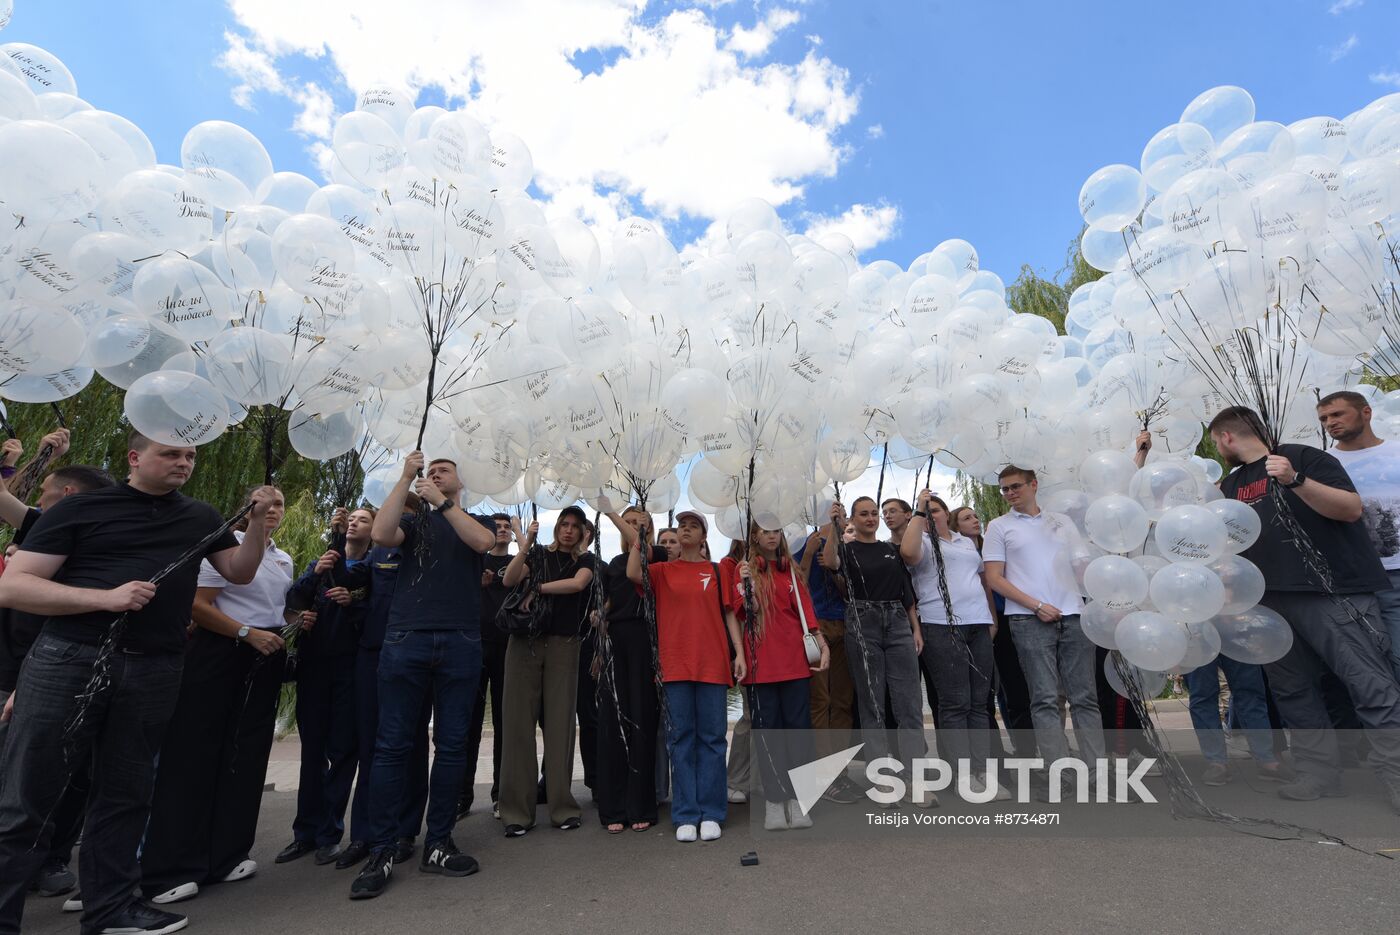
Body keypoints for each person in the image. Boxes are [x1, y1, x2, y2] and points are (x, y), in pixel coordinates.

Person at [0, 431, 274, 935]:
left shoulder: (201, 516)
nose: (184, 463)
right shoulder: (78, 509)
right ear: (134, 458)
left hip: (155, 666)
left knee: (126, 795)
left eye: (190, 455)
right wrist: (104, 599)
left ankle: (110, 910)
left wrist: (255, 523)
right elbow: (14, 586)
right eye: (170, 453)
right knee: (27, 796)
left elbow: (238, 572)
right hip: (69, 658)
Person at [1210, 406, 1400, 808]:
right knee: (1292, 691)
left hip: (1332, 593)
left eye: (1215, 442)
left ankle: (1395, 773)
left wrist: (1295, 480)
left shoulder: (1303, 457)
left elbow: (1349, 509)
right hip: (1270, 604)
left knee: (1370, 685)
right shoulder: (1231, 485)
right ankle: (1318, 773)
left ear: (1225, 437)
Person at [140, 486, 295, 906]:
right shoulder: (225, 545)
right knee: (194, 752)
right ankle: (172, 865)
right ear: (247, 509)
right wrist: (245, 634)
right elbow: (198, 603)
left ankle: (226, 854)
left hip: (265, 652)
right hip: (220, 650)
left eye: (280, 504)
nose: (274, 510)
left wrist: (295, 620)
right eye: (266, 503)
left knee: (244, 752)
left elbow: (275, 607)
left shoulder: (283, 557)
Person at [351, 453, 495, 899]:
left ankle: (439, 843)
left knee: (451, 746)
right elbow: (379, 534)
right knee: (392, 746)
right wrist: (405, 478)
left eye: (443, 471)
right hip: (406, 639)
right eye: (430, 471)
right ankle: (383, 848)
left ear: (458, 481)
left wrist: (442, 502)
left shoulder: (474, 518)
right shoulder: (412, 524)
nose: (434, 475)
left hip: (460, 641)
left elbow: (482, 543)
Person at [0, 434, 104, 902]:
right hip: (11, 669)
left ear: (67, 495)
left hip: (60, 668)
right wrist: (35, 457)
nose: (35, 498)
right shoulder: (41, 526)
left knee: (68, 773)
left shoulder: (106, 543)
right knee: (15, 777)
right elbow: (5, 499)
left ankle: (54, 857)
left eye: (43, 488)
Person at [983, 465, 1105, 798]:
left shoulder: (1061, 521)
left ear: (1034, 485)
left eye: (1015, 486)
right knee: (1045, 699)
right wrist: (1036, 604)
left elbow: (1080, 564)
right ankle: (1062, 776)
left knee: (1085, 698)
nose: (1009, 493)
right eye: (1004, 489)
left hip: (1074, 614)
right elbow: (994, 578)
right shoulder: (998, 526)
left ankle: (1097, 774)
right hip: (1028, 619)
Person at [628, 510, 744, 842]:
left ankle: (712, 812)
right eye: (682, 526)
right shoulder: (663, 571)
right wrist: (640, 537)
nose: (685, 530)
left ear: (704, 536)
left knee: (712, 739)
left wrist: (738, 652)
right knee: (680, 740)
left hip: (712, 664)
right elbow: (633, 573)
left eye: (693, 526)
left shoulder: (717, 570)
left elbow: (729, 613)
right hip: (675, 664)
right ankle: (686, 814)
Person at [276, 508, 375, 865]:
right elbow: (292, 602)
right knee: (312, 751)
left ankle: (330, 833)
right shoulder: (323, 560)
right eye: (352, 518)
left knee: (343, 751)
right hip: (314, 665)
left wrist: (355, 606)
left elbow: (377, 615)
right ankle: (305, 833)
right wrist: (305, 602)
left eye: (364, 519)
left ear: (375, 529)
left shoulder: (374, 566)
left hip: (350, 669)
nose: (354, 522)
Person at [337, 500, 431, 871]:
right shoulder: (379, 550)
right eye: (399, 510)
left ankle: (405, 831)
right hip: (373, 655)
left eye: (410, 511)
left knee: (411, 744)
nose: (404, 517)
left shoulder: (428, 552)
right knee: (370, 746)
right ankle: (366, 834)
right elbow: (351, 583)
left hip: (414, 656)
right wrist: (337, 539)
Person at [822, 498, 930, 806]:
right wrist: (834, 525)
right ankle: (883, 780)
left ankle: (912, 778)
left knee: (909, 703)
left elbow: (906, 592)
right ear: (852, 518)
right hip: (861, 621)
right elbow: (829, 561)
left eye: (873, 514)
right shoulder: (847, 549)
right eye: (863, 514)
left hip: (897, 621)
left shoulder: (891, 550)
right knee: (873, 705)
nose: (871, 518)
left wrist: (916, 629)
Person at [498, 507, 597, 837]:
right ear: (556, 527)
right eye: (564, 524)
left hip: (564, 644)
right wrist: (525, 544)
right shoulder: (537, 554)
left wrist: (538, 589)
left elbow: (577, 585)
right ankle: (516, 812)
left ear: (584, 532)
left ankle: (562, 806)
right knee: (517, 726)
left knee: (560, 726)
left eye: (575, 526)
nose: (568, 531)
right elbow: (509, 579)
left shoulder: (586, 561)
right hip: (524, 642)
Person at [902, 490, 1007, 799]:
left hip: (977, 624)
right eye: (924, 511)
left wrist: (991, 618)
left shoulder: (964, 542)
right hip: (941, 625)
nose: (930, 514)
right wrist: (918, 513)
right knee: (955, 702)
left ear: (946, 513)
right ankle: (962, 774)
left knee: (979, 703)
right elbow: (907, 554)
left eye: (935, 510)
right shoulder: (920, 543)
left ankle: (981, 772)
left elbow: (981, 580)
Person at [731, 524, 829, 830]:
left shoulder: (792, 571)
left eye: (776, 530)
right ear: (755, 537)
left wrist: (823, 645)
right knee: (767, 735)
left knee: (798, 734)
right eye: (765, 531)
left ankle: (799, 800)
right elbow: (748, 611)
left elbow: (808, 617)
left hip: (795, 664)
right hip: (761, 666)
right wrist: (747, 585)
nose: (772, 536)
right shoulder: (745, 570)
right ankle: (774, 801)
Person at [1317, 390, 1400, 683]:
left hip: (1396, 569)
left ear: (1366, 412)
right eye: (1324, 418)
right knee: (1371, 665)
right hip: (1357, 576)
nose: (1330, 423)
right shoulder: (1322, 464)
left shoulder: (1396, 452)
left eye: (1338, 414)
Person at [595, 506, 666, 833]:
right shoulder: (614, 565)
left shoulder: (658, 557)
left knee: (642, 723)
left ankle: (640, 804)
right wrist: (600, 628)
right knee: (613, 723)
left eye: (641, 524)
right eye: (631, 523)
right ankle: (613, 808)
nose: (635, 528)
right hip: (615, 644)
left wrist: (611, 513)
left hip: (645, 642)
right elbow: (609, 606)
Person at [951, 505, 1029, 758]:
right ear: (955, 525)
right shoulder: (957, 553)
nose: (975, 520)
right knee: (986, 692)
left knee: (1014, 685)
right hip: (977, 623)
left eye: (975, 515)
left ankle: (1024, 744)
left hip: (1005, 620)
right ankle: (992, 750)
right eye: (966, 518)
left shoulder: (992, 549)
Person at [794, 522, 861, 802]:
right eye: (834, 516)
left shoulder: (845, 548)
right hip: (814, 626)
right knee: (820, 700)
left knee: (842, 701)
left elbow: (853, 592)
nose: (839, 521)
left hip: (844, 623)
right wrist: (809, 553)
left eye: (842, 516)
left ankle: (840, 770)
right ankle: (822, 773)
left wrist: (834, 567)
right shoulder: (800, 545)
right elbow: (798, 587)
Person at [462, 513, 516, 820]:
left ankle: (501, 794)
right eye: (497, 527)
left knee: (504, 724)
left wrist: (524, 534)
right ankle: (462, 795)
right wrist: (476, 585)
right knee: (468, 725)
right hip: (474, 644)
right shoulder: (474, 562)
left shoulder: (519, 563)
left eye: (507, 527)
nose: (503, 531)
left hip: (508, 647)